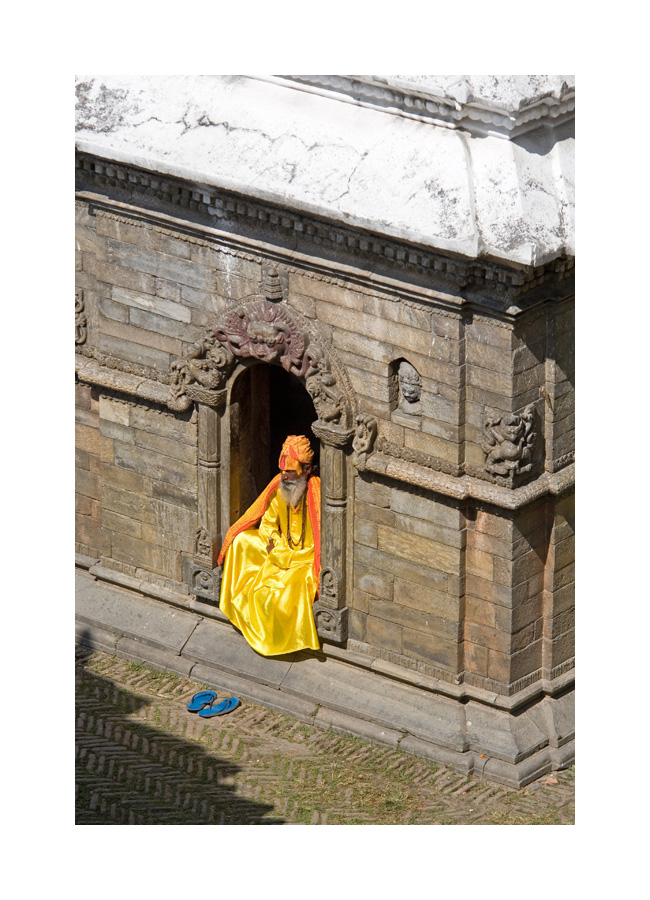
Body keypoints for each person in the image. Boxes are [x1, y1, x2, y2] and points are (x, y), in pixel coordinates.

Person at [217, 435, 321, 656]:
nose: (285, 476)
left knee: (286, 592)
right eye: (283, 471)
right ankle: (236, 608)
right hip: (279, 548)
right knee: (242, 541)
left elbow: (320, 544)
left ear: (308, 469)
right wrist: (277, 547)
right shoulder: (281, 486)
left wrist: (285, 557)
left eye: (291, 471)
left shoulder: (316, 494)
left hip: (304, 560)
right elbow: (268, 523)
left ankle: (280, 640)